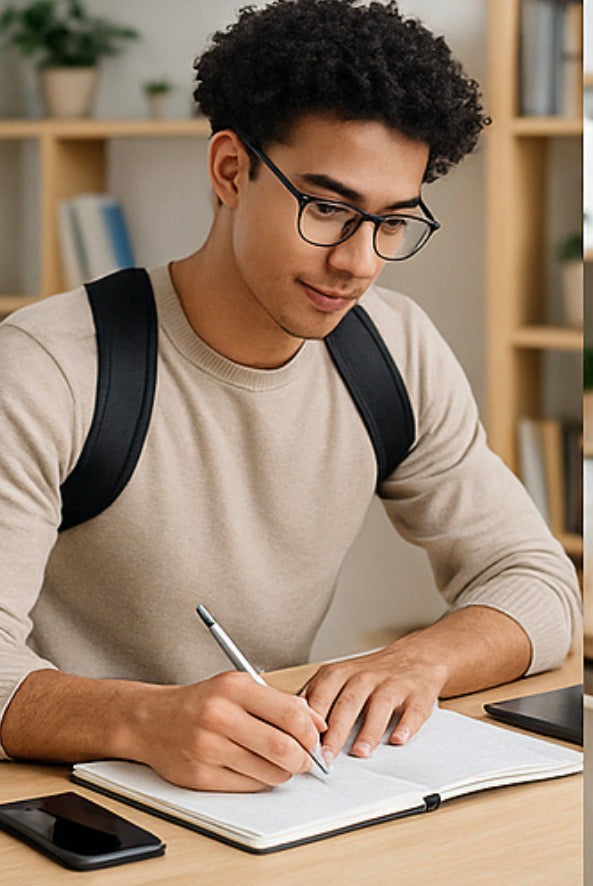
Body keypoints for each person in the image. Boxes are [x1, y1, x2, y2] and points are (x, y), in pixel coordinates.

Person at [0, 0, 580, 793]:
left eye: (391, 222)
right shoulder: (50, 367)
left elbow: (537, 583)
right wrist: (142, 719)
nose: (358, 262)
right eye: (329, 208)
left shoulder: (394, 349)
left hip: (267, 797)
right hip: (68, 805)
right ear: (230, 170)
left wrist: (417, 659)